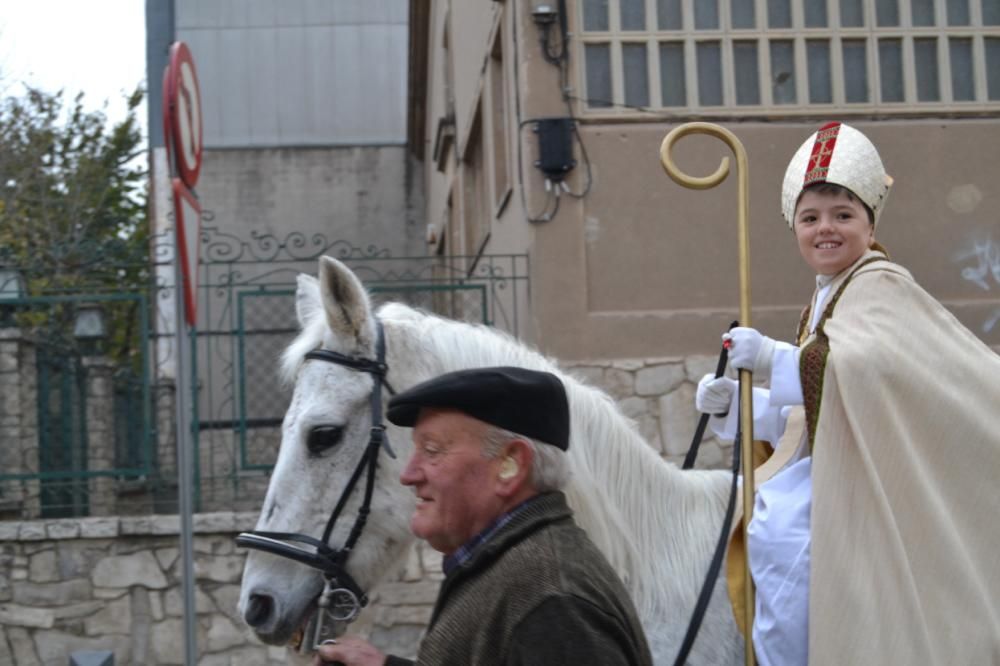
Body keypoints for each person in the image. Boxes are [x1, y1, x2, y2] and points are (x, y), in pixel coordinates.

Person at [695, 121, 1000, 665]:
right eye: (810, 218)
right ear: (794, 227)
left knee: (785, 536)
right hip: (835, 470)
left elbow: (868, 372)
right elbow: (820, 419)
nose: (825, 229)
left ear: (870, 222)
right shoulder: (823, 299)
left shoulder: (879, 284)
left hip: (874, 489)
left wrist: (772, 359)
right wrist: (743, 411)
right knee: (770, 522)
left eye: (843, 215)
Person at [315, 366, 653, 666]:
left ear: (511, 465)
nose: (409, 474)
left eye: (432, 451)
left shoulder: (553, 604)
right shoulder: (512, 568)